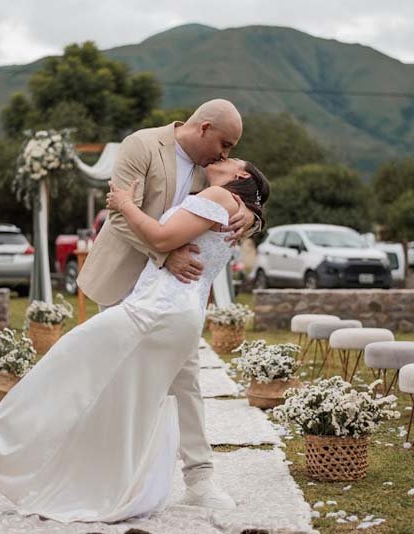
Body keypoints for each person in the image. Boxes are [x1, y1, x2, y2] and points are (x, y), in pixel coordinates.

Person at [0, 157, 269, 524]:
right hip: (179, 315)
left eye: (230, 156)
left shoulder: (219, 197)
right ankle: (121, 485)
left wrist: (125, 204)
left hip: (155, 311)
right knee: (127, 402)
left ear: (240, 174)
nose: (221, 157)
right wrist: (255, 216)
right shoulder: (239, 208)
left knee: (66, 364)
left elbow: (162, 238)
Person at [77, 99, 261, 510]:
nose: (225, 154)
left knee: (186, 380)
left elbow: (247, 190)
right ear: (204, 127)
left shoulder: (210, 167)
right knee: (110, 376)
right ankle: (101, 466)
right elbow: (121, 216)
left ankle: (200, 480)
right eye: (225, 143)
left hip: (175, 295)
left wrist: (253, 217)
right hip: (126, 279)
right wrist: (166, 254)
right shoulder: (141, 145)